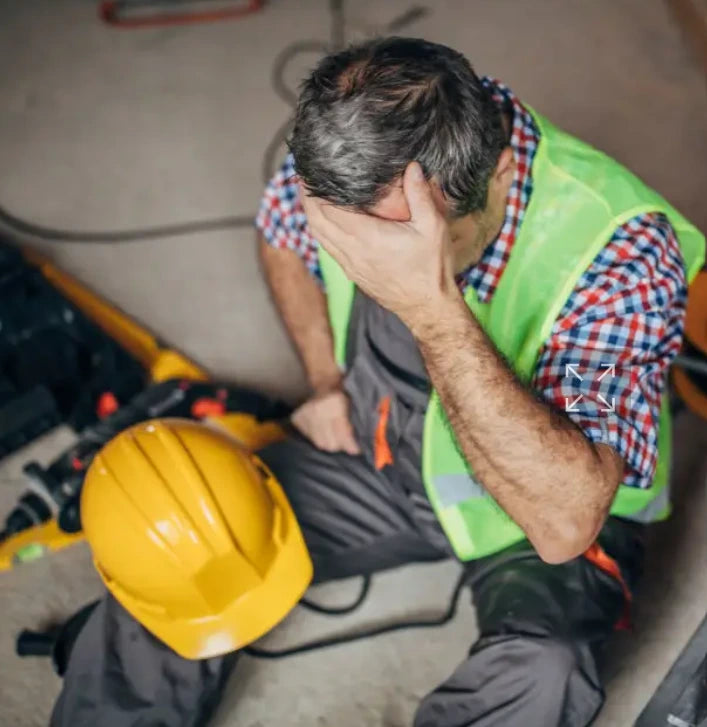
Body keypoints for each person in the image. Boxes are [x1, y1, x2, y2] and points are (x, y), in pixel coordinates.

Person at [51, 37, 704, 727]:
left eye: (399, 247)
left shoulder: (622, 249)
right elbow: (279, 230)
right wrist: (325, 381)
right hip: (381, 449)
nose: (368, 265)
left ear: (502, 175)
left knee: (544, 670)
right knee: (179, 540)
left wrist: (431, 307)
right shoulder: (347, 166)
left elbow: (563, 524)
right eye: (351, 242)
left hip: (530, 514)